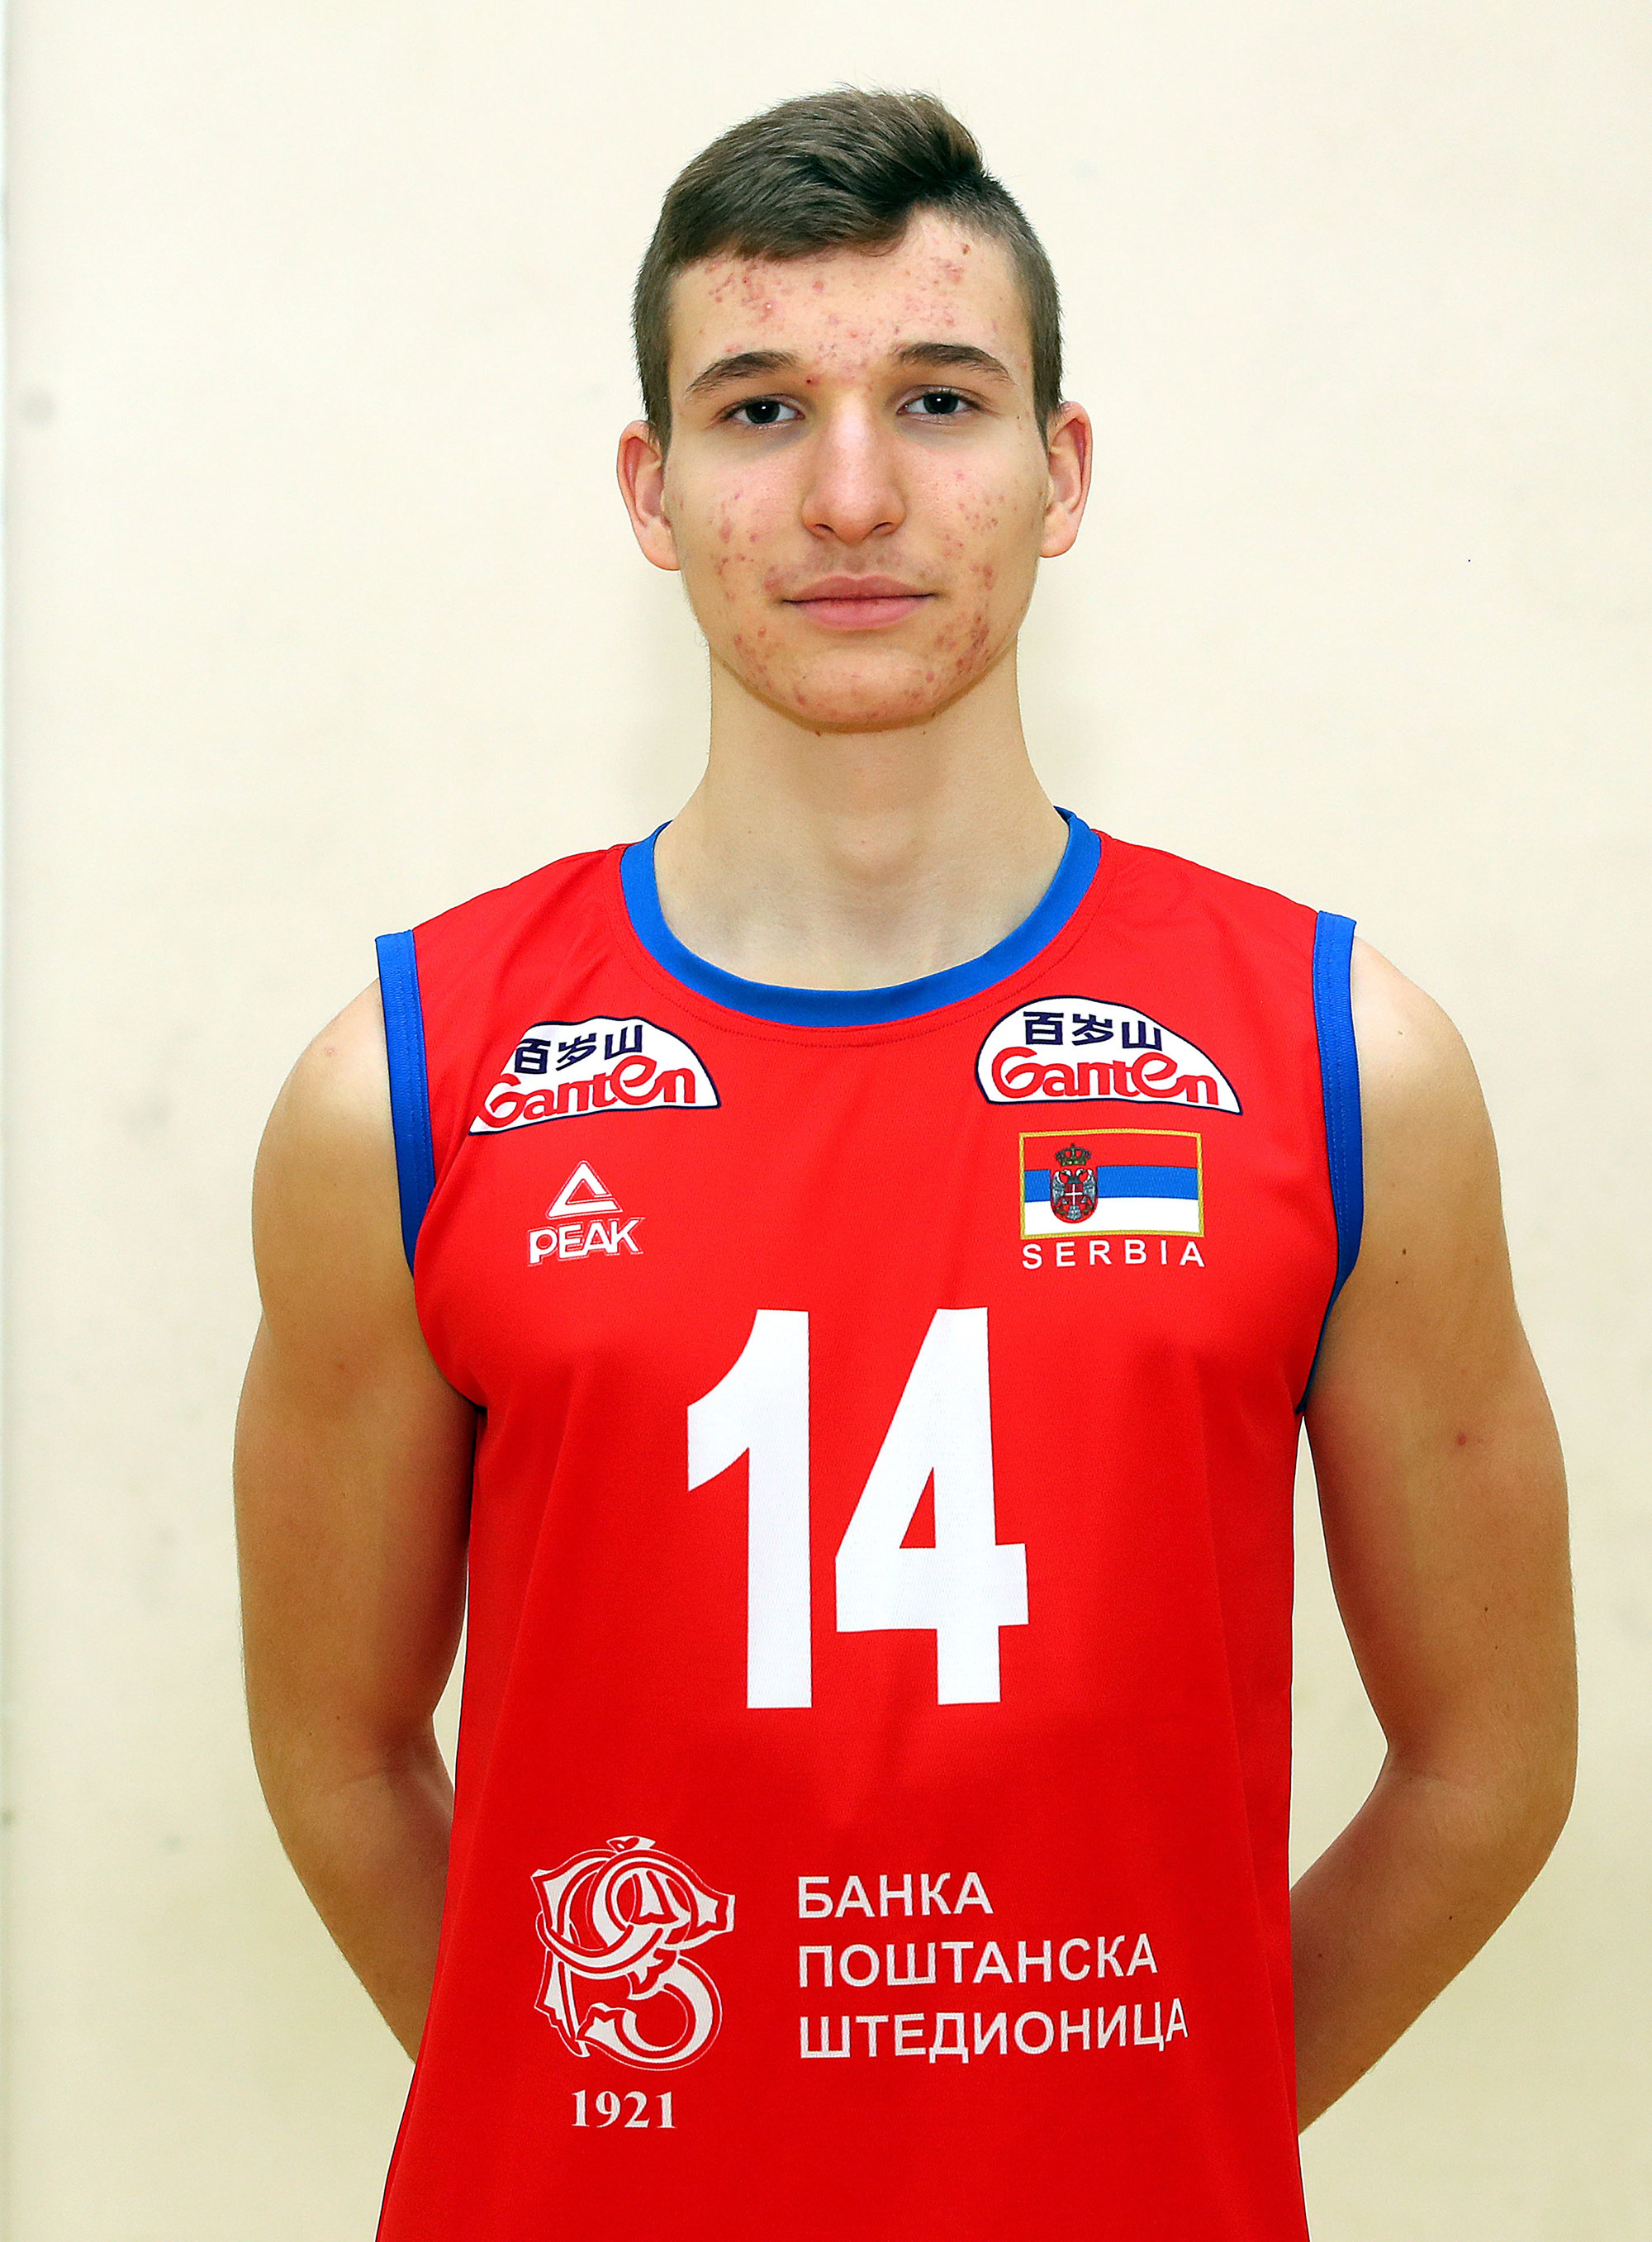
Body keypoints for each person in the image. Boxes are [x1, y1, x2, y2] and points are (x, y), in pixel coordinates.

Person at [234, 88, 1576, 2241]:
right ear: (652, 490)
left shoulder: (1345, 1069)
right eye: (760, 408)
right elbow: (336, 1753)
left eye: (939, 400)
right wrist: (620, 2115)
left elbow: (1490, 1767)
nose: (852, 493)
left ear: (1061, 472)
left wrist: (1147, 2133)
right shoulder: (402, 1090)